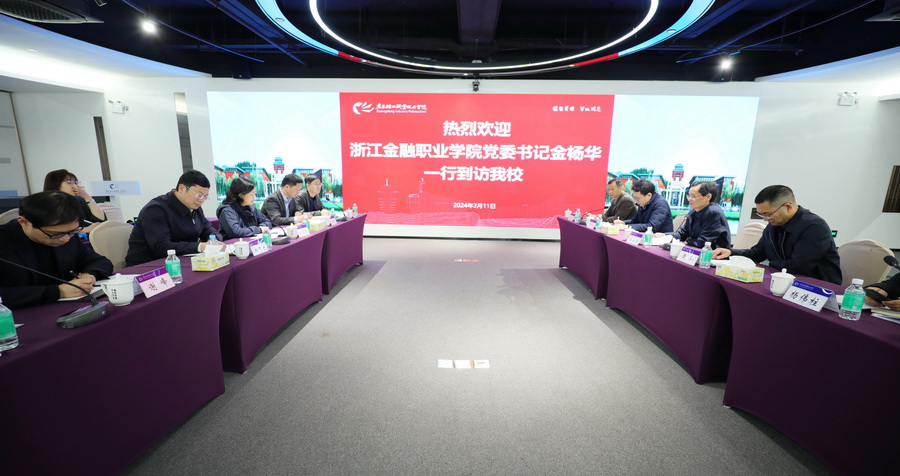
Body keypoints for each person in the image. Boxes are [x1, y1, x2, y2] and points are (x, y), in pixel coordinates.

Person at [0, 191, 113, 309]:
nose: (65, 239)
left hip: (65, 307)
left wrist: (88, 275)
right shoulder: (4, 242)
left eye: (73, 231)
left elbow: (101, 262)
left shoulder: (67, 234)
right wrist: (58, 291)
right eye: (56, 234)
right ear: (24, 222)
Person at [711, 185, 842, 285]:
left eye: (768, 214)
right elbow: (758, 253)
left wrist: (769, 264)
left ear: (788, 207)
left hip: (815, 287)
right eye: (761, 214)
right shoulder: (773, 225)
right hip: (783, 281)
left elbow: (799, 266)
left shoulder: (813, 227)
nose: (765, 219)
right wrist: (731, 252)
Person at [125, 170, 222, 266]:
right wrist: (200, 246)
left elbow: (208, 229)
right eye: (199, 195)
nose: (201, 200)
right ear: (182, 188)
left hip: (182, 261)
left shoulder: (195, 208)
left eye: (205, 197)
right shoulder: (155, 209)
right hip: (148, 267)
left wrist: (214, 240)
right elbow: (162, 246)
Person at [661, 181, 730, 249]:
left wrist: (688, 241)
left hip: (711, 254)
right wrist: (666, 235)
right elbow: (682, 234)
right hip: (694, 251)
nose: (689, 199)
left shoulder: (714, 213)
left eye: (693, 196)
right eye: (689, 195)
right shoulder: (693, 212)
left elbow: (703, 242)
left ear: (708, 196)